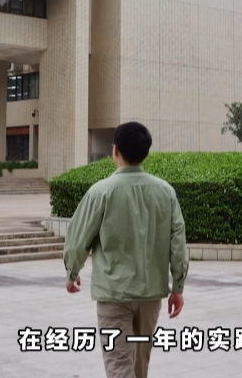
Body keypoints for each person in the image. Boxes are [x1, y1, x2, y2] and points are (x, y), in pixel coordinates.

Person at [63, 122, 188, 378]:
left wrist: (71, 272)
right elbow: (178, 242)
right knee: (140, 365)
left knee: (119, 365)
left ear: (115, 150)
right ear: (146, 153)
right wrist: (178, 287)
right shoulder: (166, 192)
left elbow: (77, 238)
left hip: (114, 294)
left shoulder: (100, 192)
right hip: (150, 294)